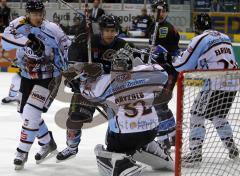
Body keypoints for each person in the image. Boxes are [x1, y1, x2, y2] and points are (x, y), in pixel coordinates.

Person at [70, 47, 176, 175]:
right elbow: (165, 71)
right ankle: (164, 159)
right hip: (151, 131)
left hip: (125, 137)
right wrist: (161, 61)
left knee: (105, 146)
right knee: (140, 133)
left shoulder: (106, 82)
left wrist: (80, 83)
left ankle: (122, 166)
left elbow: (89, 94)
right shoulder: (152, 74)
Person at [1, 0, 71, 170]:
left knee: (31, 112)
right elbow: (5, 41)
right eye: (34, 14)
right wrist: (28, 42)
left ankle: (22, 152)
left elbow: (67, 47)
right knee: (24, 113)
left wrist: (70, 72)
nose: (38, 17)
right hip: (27, 75)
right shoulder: (18, 24)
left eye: (40, 14)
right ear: (28, 13)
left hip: (49, 77)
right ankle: (47, 142)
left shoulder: (52, 29)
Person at [56, 15, 133, 162]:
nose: (110, 34)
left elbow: (133, 68)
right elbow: (73, 67)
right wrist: (74, 79)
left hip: (113, 92)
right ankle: (71, 147)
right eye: (107, 30)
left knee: (118, 121)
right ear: (101, 30)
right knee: (74, 118)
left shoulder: (124, 46)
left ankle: (115, 146)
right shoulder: (89, 42)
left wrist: (103, 68)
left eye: (113, 30)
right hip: (89, 89)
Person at [174, 13, 239, 166]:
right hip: (233, 82)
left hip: (215, 83)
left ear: (196, 27)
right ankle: (232, 148)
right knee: (218, 116)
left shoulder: (200, 39)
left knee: (196, 114)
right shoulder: (224, 36)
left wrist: (173, 59)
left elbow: (183, 66)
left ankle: (196, 153)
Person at [149, 0, 180, 151]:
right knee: (161, 104)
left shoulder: (166, 28)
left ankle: (164, 140)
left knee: (158, 103)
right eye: (156, 11)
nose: (158, 13)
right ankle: (173, 136)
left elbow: (170, 48)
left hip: (168, 71)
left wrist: (156, 50)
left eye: (161, 11)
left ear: (166, 12)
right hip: (159, 71)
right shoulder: (154, 27)